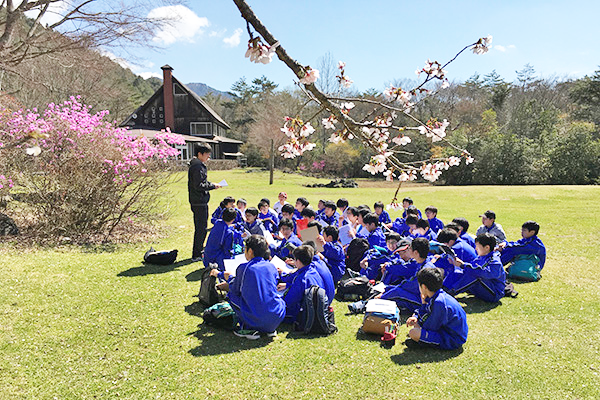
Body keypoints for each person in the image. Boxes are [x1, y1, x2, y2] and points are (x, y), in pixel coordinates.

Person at [216, 235, 286, 340]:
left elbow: (235, 289)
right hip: (276, 315)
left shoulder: (244, 268)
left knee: (231, 295)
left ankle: (248, 329)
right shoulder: (271, 266)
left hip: (258, 316)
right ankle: (270, 329)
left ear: (250, 251)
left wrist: (228, 277)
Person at [406, 267, 468, 350]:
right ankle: (421, 341)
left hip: (452, 340)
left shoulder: (439, 303)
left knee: (413, 333)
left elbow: (430, 326)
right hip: (446, 331)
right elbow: (426, 313)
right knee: (416, 326)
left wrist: (419, 323)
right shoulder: (437, 295)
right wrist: (416, 317)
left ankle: (422, 343)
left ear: (423, 287)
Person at [444, 233, 506, 303]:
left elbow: (486, 273)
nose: (476, 248)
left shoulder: (494, 260)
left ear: (487, 248)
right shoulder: (481, 256)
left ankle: (451, 292)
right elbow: (471, 267)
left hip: (494, 293)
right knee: (462, 271)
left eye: (477, 246)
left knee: (475, 275)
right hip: (485, 288)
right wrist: (457, 264)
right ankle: (444, 288)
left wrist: (463, 265)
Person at [188, 143, 221, 261]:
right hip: (199, 201)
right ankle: (196, 254)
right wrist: (212, 185)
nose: (208, 157)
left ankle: (199, 250)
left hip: (198, 201)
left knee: (201, 227)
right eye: (207, 154)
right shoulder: (197, 167)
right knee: (201, 228)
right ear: (200, 154)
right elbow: (199, 185)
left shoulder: (197, 165)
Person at [280, 245, 326, 324]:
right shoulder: (313, 271)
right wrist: (288, 285)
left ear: (298, 261)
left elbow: (288, 301)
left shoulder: (302, 279)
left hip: (300, 314)